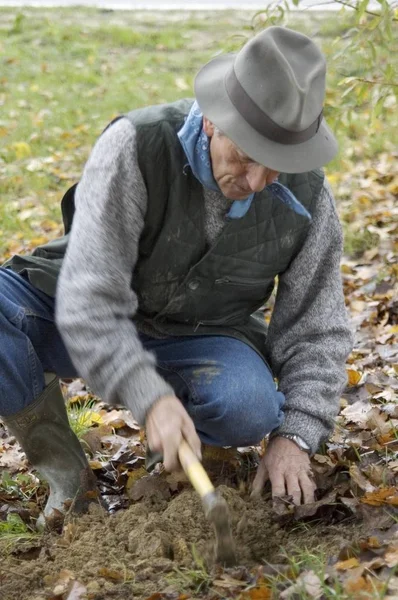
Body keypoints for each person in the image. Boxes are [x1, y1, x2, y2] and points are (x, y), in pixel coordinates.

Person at [0, 26, 352, 522]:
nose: (254, 183)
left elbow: (317, 327)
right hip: (74, 308)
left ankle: (174, 458)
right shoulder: (135, 148)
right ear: (211, 121)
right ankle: (68, 478)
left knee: (248, 407)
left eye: (275, 168)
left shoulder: (310, 198)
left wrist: (296, 434)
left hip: (200, 332)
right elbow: (90, 300)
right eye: (246, 158)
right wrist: (149, 398)